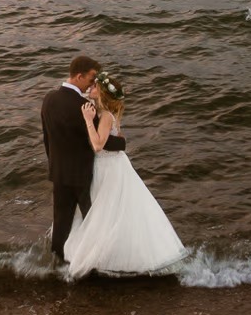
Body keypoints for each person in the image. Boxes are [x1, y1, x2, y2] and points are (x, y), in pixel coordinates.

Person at [59, 68, 188, 278]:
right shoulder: (103, 113)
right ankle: (106, 255)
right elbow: (116, 139)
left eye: (95, 86)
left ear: (101, 92)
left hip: (108, 167)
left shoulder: (105, 116)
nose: (91, 88)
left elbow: (98, 145)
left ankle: (110, 258)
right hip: (109, 165)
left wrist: (87, 120)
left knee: (107, 211)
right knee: (108, 212)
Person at [40, 55, 99, 264]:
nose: (93, 83)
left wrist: (54, 164)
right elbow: (100, 142)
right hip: (82, 175)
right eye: (91, 78)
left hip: (59, 172)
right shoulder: (85, 107)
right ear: (79, 75)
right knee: (92, 220)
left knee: (61, 221)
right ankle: (92, 262)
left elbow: (47, 138)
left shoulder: (49, 99)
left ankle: (56, 263)